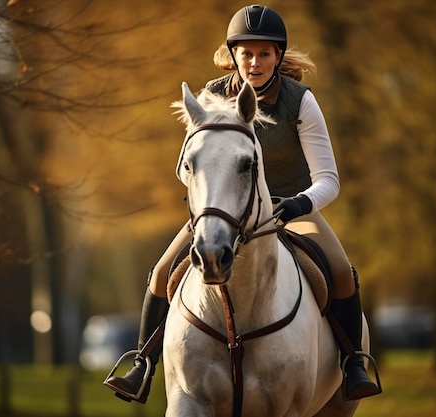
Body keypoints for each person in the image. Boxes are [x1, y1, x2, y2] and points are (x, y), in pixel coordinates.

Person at [105, 4, 381, 403]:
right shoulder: (211, 96)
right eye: (246, 53)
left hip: (290, 211)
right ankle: (142, 363)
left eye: (264, 53)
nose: (254, 62)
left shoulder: (300, 102)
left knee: (340, 270)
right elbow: (188, 165)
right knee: (163, 271)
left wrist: (299, 205)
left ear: (278, 56)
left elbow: (329, 180)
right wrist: (208, 201)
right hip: (224, 212)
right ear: (233, 54)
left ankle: (354, 362)